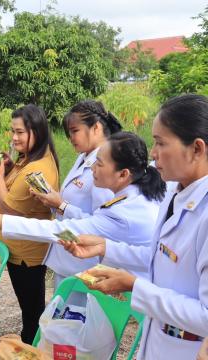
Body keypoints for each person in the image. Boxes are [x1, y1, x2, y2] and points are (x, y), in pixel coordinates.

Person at [0, 131, 167, 339]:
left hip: (144, 295)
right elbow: (81, 228)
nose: (92, 168)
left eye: (100, 164)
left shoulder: (123, 212)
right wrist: (64, 209)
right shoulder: (136, 191)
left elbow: (58, 230)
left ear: (123, 174)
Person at [60, 94, 208, 360]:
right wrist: (106, 247)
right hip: (158, 342)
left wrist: (134, 286)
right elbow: (158, 258)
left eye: (161, 143)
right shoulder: (175, 192)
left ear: (197, 149)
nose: (153, 153)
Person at [0, 104, 60, 344]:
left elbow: (10, 207)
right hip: (21, 248)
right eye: (12, 131)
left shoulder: (38, 167)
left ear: (37, 131)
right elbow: (21, 188)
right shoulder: (31, 159)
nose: (14, 138)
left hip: (26, 253)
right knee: (30, 304)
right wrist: (10, 167)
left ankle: (31, 346)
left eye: (20, 132)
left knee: (32, 309)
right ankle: (31, 343)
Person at [32, 100, 122, 292]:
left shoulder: (105, 165)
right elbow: (72, 203)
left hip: (86, 263)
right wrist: (52, 200)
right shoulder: (83, 157)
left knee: (79, 317)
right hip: (69, 255)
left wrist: (62, 205)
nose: (71, 138)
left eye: (75, 131)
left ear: (96, 127)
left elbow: (104, 225)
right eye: (69, 133)